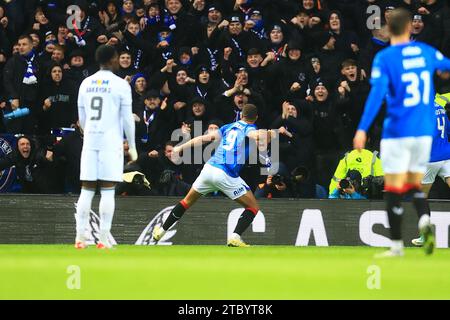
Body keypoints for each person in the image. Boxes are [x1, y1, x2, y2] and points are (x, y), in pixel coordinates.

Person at [353, 8, 450, 258]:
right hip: (423, 133)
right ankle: (424, 223)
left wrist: (362, 129)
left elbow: (376, 97)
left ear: (388, 28)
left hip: (397, 130)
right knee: (415, 184)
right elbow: (446, 66)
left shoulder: (385, 58)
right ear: (409, 27)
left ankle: (396, 245)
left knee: (395, 186)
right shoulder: (426, 51)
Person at [152, 104, 273, 247]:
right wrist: (270, 133)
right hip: (226, 173)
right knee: (253, 207)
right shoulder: (250, 129)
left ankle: (161, 230)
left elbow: (203, 139)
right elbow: (257, 136)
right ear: (256, 118)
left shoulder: (228, 127)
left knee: (186, 202)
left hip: (209, 169)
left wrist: (180, 147)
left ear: (241, 115)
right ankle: (235, 237)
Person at [74, 45, 137, 250]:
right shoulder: (120, 85)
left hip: (90, 141)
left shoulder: (85, 83)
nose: (119, 60)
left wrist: (90, 133)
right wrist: (133, 145)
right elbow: (128, 120)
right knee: (108, 190)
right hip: (111, 143)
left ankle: (80, 238)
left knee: (87, 189)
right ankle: (102, 238)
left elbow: (82, 119)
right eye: (117, 57)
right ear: (111, 60)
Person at [412, 93, 450, 246]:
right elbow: (447, 130)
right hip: (447, 155)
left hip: (430, 159)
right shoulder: (440, 108)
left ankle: (424, 236)